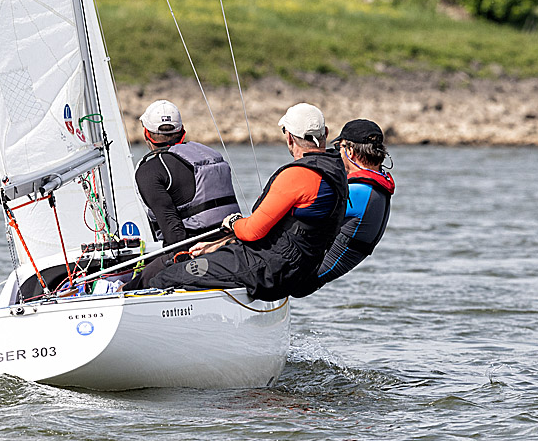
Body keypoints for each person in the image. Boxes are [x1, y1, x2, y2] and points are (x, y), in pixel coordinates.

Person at [124, 103, 347, 301]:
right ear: (326, 132)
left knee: (167, 277)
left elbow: (251, 232)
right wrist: (217, 244)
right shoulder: (338, 172)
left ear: (288, 136)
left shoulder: (297, 176)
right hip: (296, 271)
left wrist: (233, 223)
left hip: (267, 271)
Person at [290, 119, 395, 298]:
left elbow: (298, 212)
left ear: (351, 152)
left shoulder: (359, 192)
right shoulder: (376, 186)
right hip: (311, 276)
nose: (338, 152)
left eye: (340, 146)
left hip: (301, 281)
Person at [133, 99, 241, 246]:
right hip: (233, 240)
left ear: (146, 133)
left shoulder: (149, 171)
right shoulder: (212, 154)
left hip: (198, 251)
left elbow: (175, 235)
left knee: (148, 271)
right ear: (182, 131)